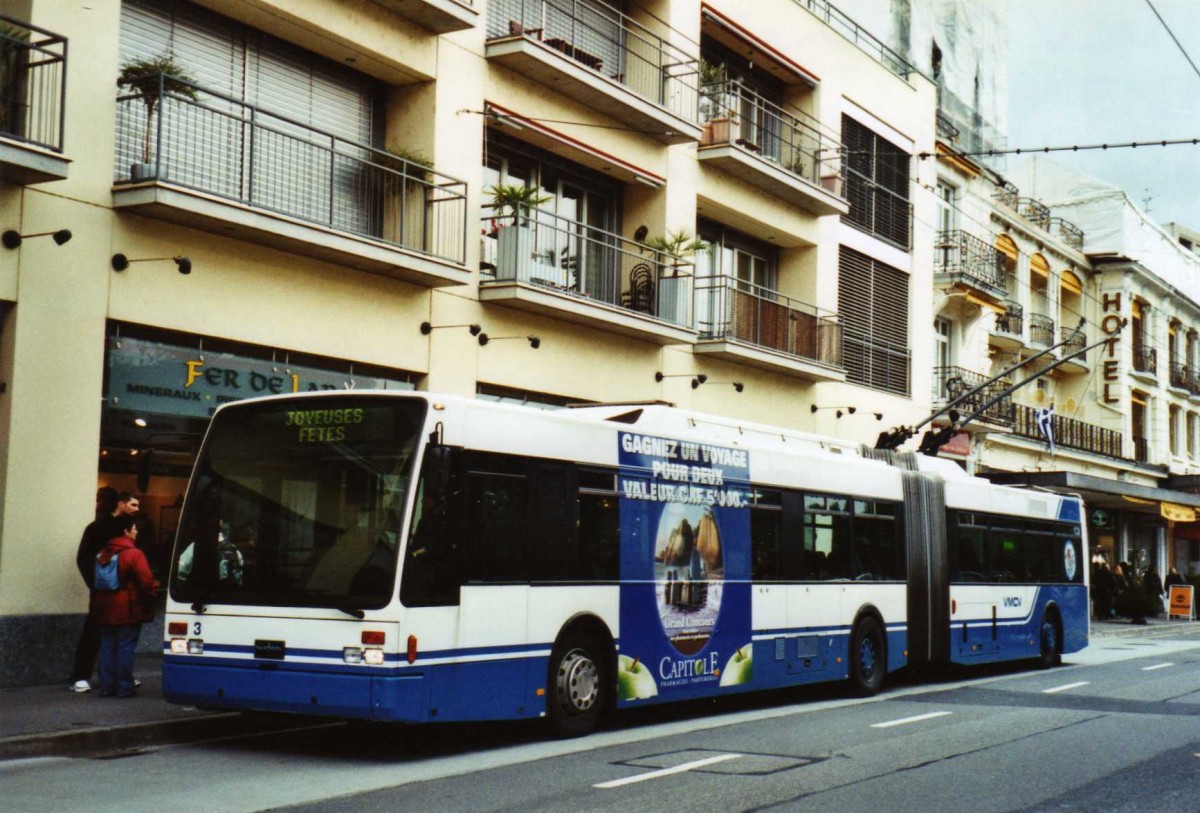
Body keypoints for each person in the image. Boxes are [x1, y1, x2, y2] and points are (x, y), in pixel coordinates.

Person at [69, 489, 138, 692]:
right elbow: (84, 558)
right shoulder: (101, 528)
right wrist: (95, 583)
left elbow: (83, 558)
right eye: (133, 504)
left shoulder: (108, 527)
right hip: (110, 589)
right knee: (102, 633)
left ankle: (93, 676)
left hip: (108, 589)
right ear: (120, 504)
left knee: (106, 633)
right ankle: (86, 675)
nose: (136, 509)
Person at [91, 514, 158, 698]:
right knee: (125, 646)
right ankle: (124, 686)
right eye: (134, 528)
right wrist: (151, 599)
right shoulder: (134, 554)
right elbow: (146, 582)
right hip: (128, 607)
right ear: (126, 531)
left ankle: (107, 686)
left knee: (107, 646)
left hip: (104, 606)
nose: (136, 531)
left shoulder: (102, 553)